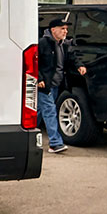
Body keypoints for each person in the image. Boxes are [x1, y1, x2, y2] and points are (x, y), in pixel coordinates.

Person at [38, 17, 87, 153]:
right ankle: (55, 143)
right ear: (53, 30)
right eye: (62, 29)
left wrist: (80, 66)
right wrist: (39, 79)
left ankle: (27, 134)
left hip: (55, 85)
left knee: (41, 111)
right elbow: (35, 62)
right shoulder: (43, 43)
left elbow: (72, 57)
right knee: (50, 111)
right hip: (45, 84)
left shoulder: (64, 44)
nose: (65, 31)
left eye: (66, 29)